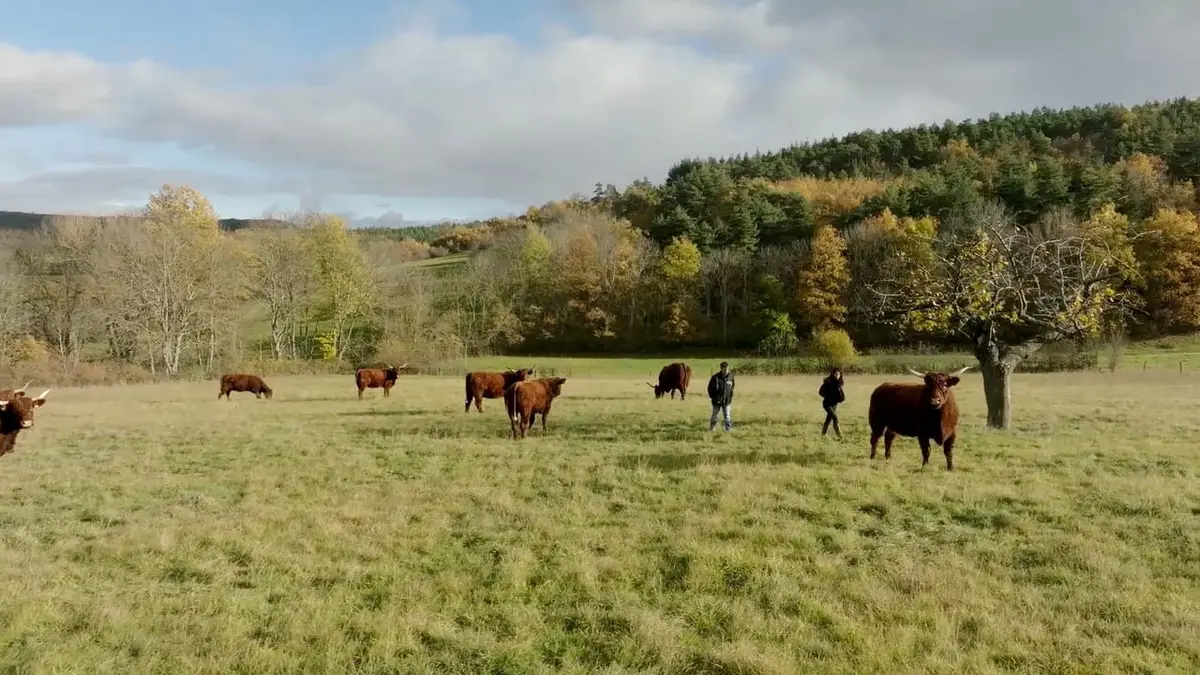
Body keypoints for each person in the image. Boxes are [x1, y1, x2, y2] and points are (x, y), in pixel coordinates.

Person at [707, 361, 735, 432]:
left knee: (727, 416)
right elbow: (709, 388)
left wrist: (730, 396)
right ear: (721, 369)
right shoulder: (715, 377)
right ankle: (711, 429)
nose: (726, 371)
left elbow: (732, 387)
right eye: (724, 369)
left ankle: (728, 430)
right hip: (716, 401)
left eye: (727, 369)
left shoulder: (731, 377)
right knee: (714, 416)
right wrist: (713, 397)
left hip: (726, 401)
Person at [818, 367, 845, 438]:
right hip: (827, 404)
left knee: (828, 419)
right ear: (832, 374)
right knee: (835, 418)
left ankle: (823, 434)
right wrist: (827, 396)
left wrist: (839, 399)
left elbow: (841, 395)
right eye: (836, 374)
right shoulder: (828, 382)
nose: (837, 376)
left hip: (834, 404)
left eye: (838, 374)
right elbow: (821, 392)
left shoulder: (839, 384)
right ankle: (839, 435)